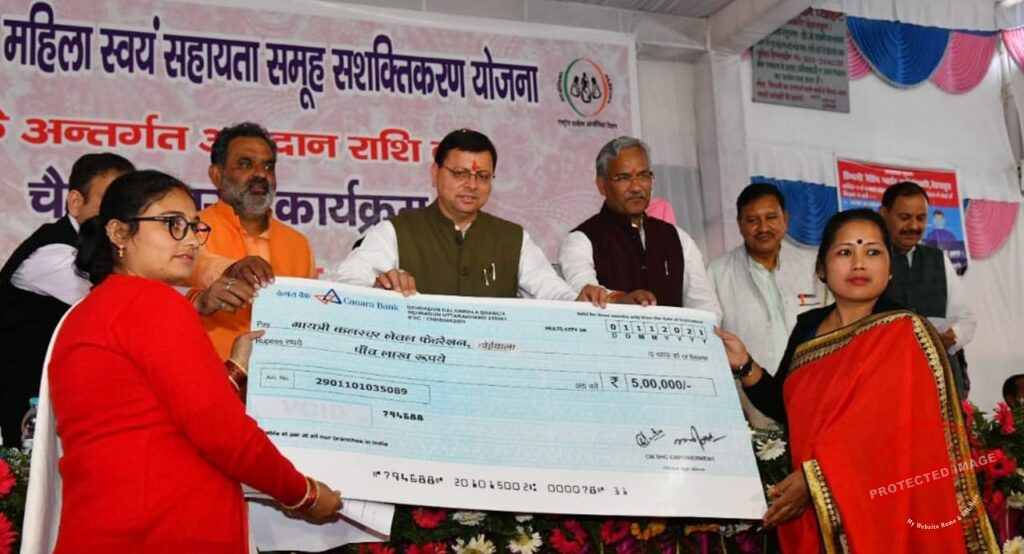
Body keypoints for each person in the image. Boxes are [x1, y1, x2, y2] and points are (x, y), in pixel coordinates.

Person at [49, 170, 341, 551]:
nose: (189, 239)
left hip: (104, 529)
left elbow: (153, 416)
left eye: (193, 226)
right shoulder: (155, 304)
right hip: (163, 532)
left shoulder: (83, 314)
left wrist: (235, 369)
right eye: (172, 224)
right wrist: (304, 494)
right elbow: (223, 432)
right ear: (119, 233)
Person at [716, 209, 997, 553]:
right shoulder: (808, 328)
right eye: (845, 252)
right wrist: (744, 364)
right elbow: (786, 407)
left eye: (873, 252)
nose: (859, 263)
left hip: (881, 508)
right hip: (812, 514)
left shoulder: (904, 331)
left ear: (890, 269)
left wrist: (816, 478)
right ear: (822, 268)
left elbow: (895, 434)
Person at [334, 128, 606, 304]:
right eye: (460, 173)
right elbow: (347, 282)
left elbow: (549, 288)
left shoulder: (512, 238)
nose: (472, 185)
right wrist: (377, 288)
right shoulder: (395, 231)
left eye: (483, 176)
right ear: (435, 174)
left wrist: (578, 300)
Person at [0, 152, 134, 448]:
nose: (120, 216)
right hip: (21, 411)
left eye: (127, 205)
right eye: (110, 202)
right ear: (75, 202)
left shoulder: (103, 254)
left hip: (61, 407)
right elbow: (115, 310)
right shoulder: (50, 253)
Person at [185, 122, 318, 359]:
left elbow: (310, 319)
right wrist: (230, 271)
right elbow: (196, 270)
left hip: (280, 375)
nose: (261, 174)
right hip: (208, 373)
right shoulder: (190, 229)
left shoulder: (299, 244)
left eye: (268, 166)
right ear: (217, 176)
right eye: (246, 164)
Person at [707, 183, 828, 428]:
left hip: (815, 400)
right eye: (752, 220)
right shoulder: (717, 273)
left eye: (771, 217)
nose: (763, 228)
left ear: (786, 219)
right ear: (740, 224)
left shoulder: (814, 267)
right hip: (750, 405)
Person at [558, 136, 721, 317]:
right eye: (623, 178)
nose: (636, 187)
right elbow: (587, 294)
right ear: (602, 185)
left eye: (643, 176)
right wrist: (622, 300)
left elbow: (706, 307)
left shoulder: (676, 238)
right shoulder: (581, 240)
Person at [879, 181, 975, 396]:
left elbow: (966, 319)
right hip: (887, 378)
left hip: (937, 379)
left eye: (921, 218)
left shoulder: (938, 260)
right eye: (905, 217)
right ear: (884, 214)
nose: (914, 226)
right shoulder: (871, 258)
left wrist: (954, 335)